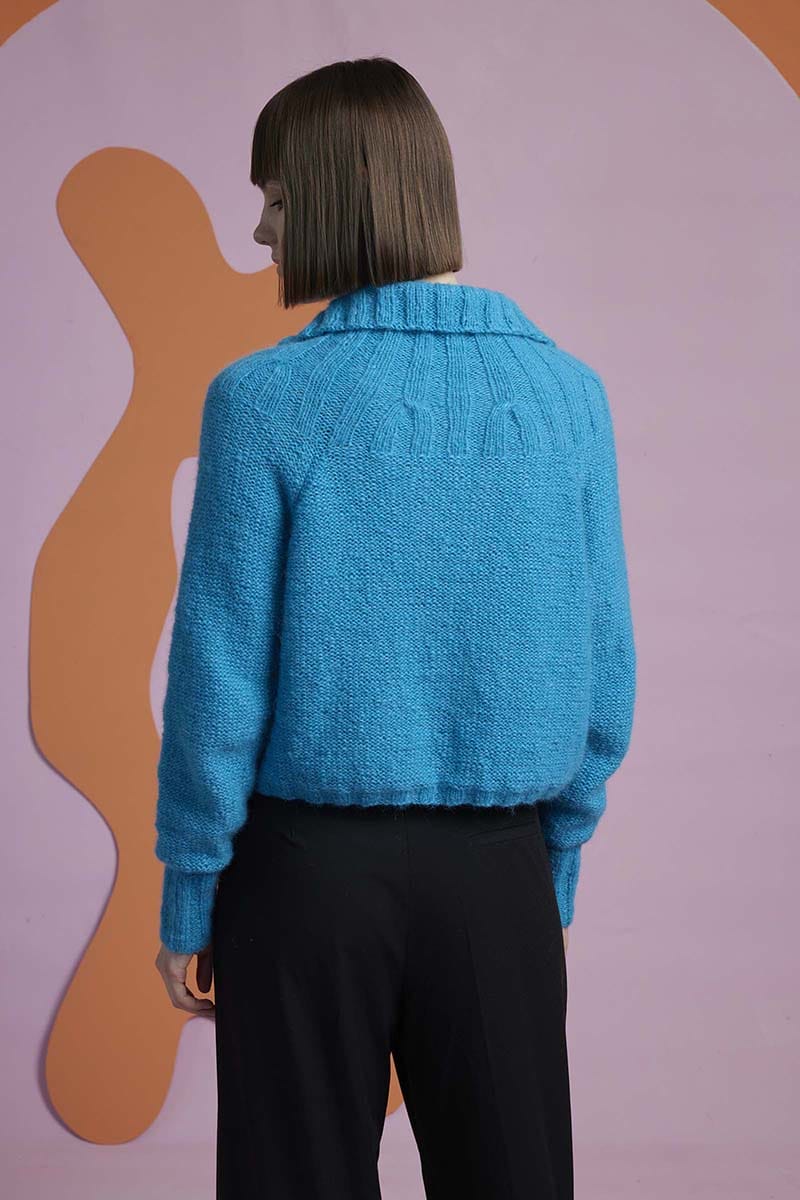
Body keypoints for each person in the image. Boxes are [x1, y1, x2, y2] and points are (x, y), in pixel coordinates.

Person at [154, 55, 636, 1200]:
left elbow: (219, 679)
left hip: (301, 876)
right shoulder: (568, 397)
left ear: (334, 195)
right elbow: (602, 671)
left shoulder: (262, 399)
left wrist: (191, 892)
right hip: (499, 875)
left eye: (275, 196)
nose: (261, 230)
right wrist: (552, 868)